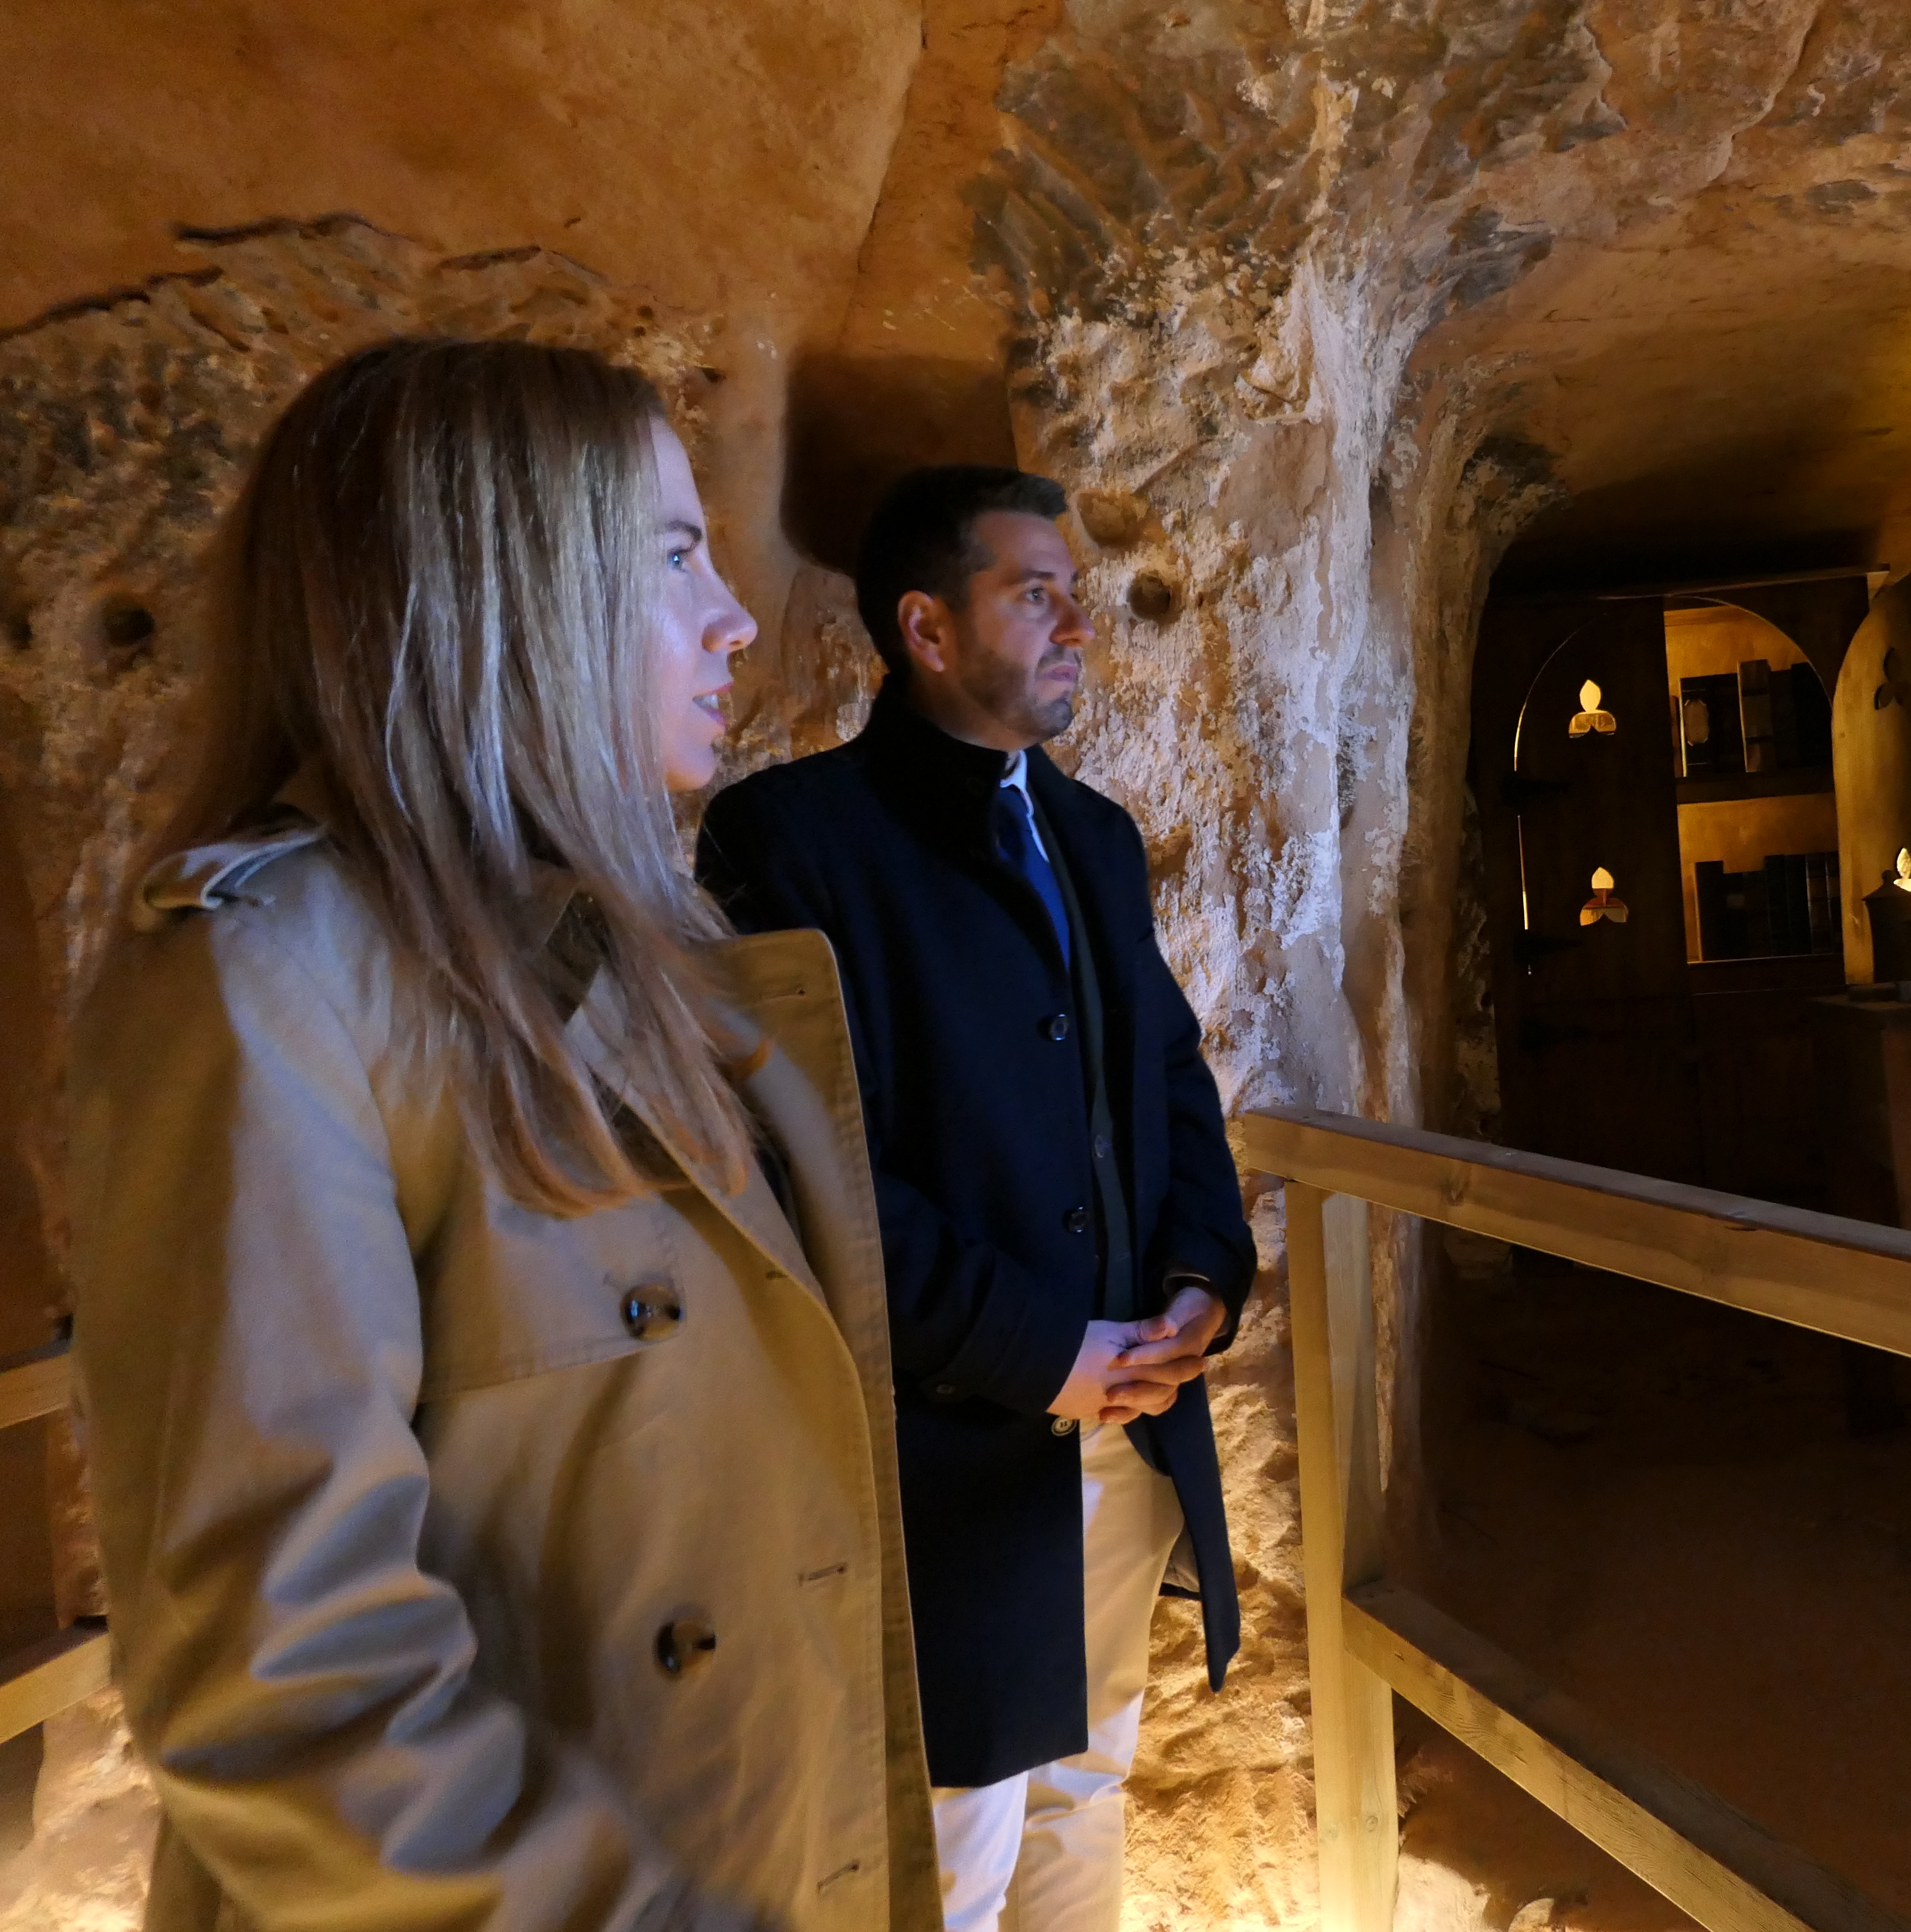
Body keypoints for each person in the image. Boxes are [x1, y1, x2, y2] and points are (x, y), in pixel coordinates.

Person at [67, 338, 939, 1932]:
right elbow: (289, 1679)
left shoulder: (649, 975)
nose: (737, 620)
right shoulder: (269, 988)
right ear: (501, 586)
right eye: (675, 558)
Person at [696, 467, 1255, 1932]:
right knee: (947, 1852)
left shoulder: (1098, 839)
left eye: (1077, 588)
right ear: (928, 631)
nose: (1080, 620)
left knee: (1087, 1797)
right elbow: (807, 1176)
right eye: (1037, 592)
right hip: (952, 1453)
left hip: (1132, 1420)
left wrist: (1203, 1278)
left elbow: (1169, 1079)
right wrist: (1044, 1353)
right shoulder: (790, 847)